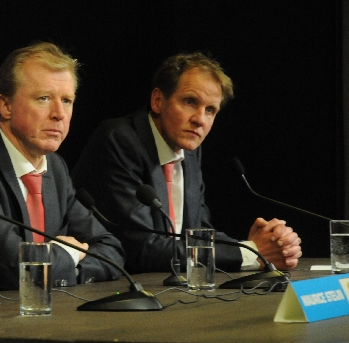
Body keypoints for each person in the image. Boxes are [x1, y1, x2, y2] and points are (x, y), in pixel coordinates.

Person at [72, 52, 302, 274]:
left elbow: (199, 235)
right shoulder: (120, 140)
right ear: (158, 100)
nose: (200, 120)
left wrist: (260, 247)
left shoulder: (189, 150)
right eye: (190, 102)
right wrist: (252, 253)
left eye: (210, 110)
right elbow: (141, 248)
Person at [0, 42, 124, 291]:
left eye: (67, 100)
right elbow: (10, 267)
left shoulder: (55, 169)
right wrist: (71, 256)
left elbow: (110, 250)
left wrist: (70, 268)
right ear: (5, 106)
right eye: (44, 98)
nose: (59, 113)